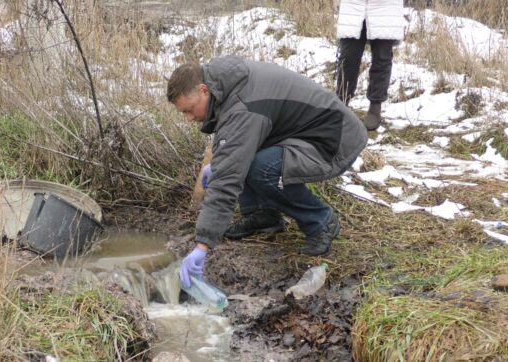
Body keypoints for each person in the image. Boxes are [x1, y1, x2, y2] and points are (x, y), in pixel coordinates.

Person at [166, 56, 368, 288]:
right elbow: (237, 144)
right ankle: (263, 216)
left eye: (189, 110)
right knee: (239, 161)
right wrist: (220, 163)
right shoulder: (224, 83)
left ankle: (321, 221)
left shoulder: (241, 105)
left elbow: (227, 180)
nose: (189, 118)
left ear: (203, 90)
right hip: (302, 133)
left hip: (333, 140)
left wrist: (202, 246)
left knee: (259, 168)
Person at [335, 0, 405, 130]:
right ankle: (341, 104)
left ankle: (375, 108)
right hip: (354, 6)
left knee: (381, 58)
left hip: (385, 8)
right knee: (348, 58)